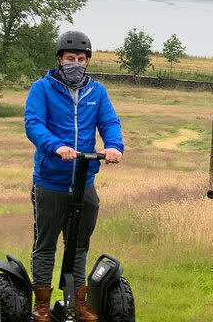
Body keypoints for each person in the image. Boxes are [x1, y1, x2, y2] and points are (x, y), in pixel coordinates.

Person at [24, 30, 124, 322]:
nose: (76, 63)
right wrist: (57, 147)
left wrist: (114, 146)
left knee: (79, 244)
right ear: (59, 59)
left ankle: (77, 302)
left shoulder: (97, 92)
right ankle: (41, 304)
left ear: (87, 61)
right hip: (51, 180)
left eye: (81, 59)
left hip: (85, 181)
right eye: (70, 58)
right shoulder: (42, 89)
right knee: (45, 243)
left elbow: (109, 122)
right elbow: (33, 124)